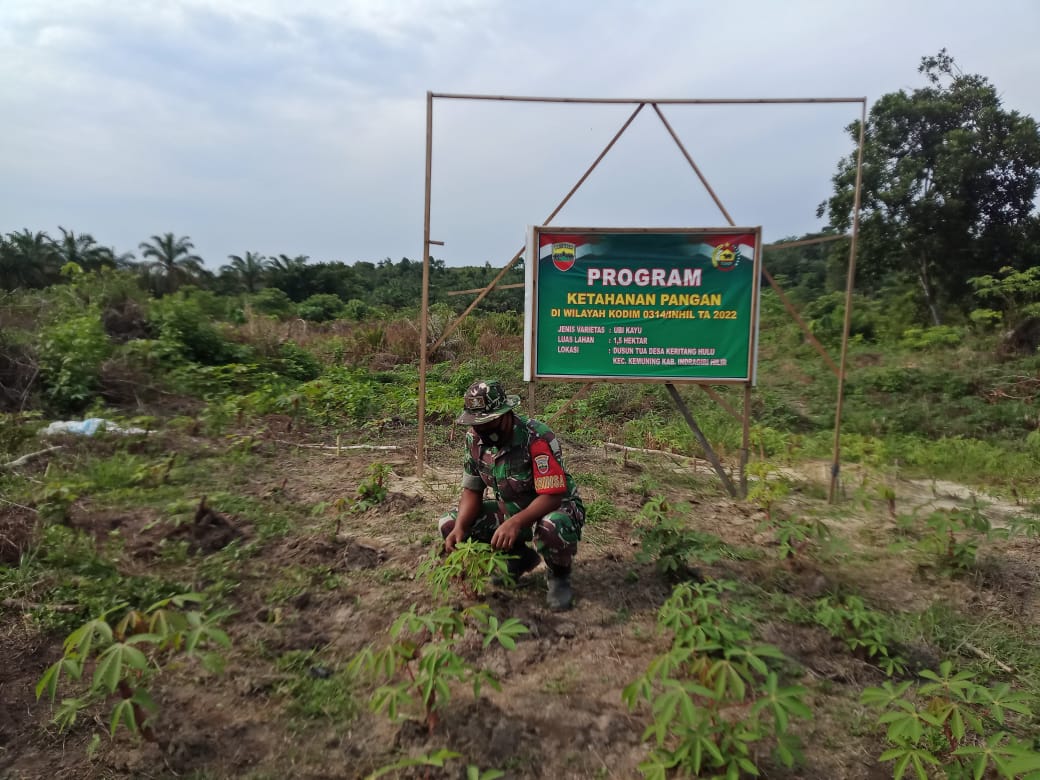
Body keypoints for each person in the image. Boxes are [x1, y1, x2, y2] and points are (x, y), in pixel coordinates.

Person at [438, 380, 585, 610]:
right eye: (477, 424)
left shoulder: (536, 437)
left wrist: (515, 523)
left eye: (488, 422)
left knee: (552, 526)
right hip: (510, 508)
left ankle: (559, 575)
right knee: (449, 523)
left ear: (505, 414)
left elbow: (553, 496)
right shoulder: (474, 440)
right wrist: (460, 528)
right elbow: (472, 490)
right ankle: (518, 558)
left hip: (554, 507)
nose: (482, 429)